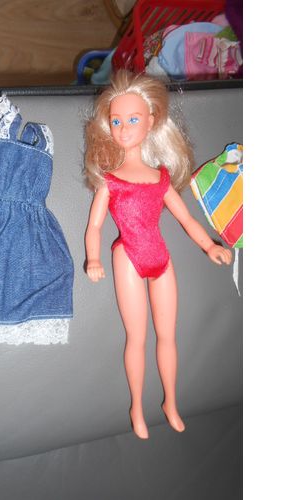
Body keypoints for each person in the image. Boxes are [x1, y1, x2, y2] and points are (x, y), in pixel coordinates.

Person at [84, 69, 232, 439]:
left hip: (161, 260)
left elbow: (186, 219)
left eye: (133, 120)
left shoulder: (161, 178)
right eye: (116, 121)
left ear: (151, 121)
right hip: (128, 258)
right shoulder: (110, 181)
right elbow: (95, 226)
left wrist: (209, 245)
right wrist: (94, 258)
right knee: (137, 337)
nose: (123, 129)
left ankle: (171, 402)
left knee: (168, 336)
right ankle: (137, 406)